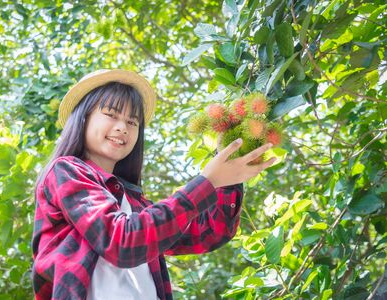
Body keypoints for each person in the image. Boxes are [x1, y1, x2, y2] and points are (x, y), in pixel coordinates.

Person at [31, 69, 276, 300]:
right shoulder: (66, 171)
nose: (122, 128)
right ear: (83, 119)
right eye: (111, 115)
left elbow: (210, 233)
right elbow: (121, 241)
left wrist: (228, 177)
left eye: (132, 122)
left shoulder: (134, 203)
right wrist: (208, 181)